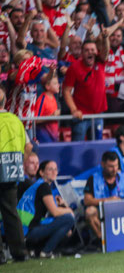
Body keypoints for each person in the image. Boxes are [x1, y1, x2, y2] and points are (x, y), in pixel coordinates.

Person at [17, 161, 74, 258]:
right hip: (28, 232)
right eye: (50, 169)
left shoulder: (36, 186)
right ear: (41, 172)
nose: (54, 172)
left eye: (55, 169)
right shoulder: (44, 186)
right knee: (69, 218)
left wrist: (62, 205)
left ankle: (36, 251)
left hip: (21, 231)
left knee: (65, 224)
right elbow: (55, 212)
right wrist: (69, 210)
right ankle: (46, 252)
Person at [0, 85, 28, 263]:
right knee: (11, 212)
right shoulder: (16, 120)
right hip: (12, 169)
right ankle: (20, 252)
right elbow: (26, 145)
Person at [63, 34, 110, 141]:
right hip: (81, 116)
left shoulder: (100, 61)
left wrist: (105, 37)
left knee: (96, 148)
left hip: (98, 115)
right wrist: (74, 110)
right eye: (87, 50)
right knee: (77, 148)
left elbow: (106, 51)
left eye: (92, 50)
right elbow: (66, 91)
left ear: (97, 51)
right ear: (82, 53)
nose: (90, 52)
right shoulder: (74, 68)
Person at [83, 151, 124, 240]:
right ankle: (104, 240)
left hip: (121, 212)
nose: (114, 169)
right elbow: (87, 201)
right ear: (103, 165)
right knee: (89, 211)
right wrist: (107, 200)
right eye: (111, 166)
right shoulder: (93, 179)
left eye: (116, 165)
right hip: (101, 212)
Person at [35, 74, 60, 143]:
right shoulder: (42, 99)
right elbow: (35, 120)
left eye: (58, 83)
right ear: (47, 86)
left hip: (53, 136)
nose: (58, 85)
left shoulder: (54, 98)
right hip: (44, 137)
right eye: (55, 83)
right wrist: (51, 117)